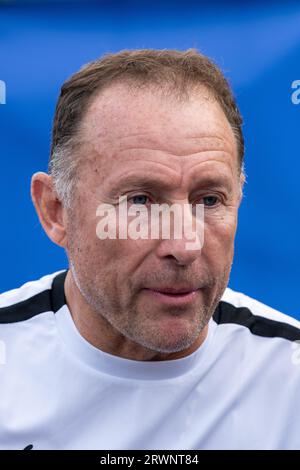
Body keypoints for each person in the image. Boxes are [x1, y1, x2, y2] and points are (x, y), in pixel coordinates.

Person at [1, 48, 300, 450]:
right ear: (57, 211)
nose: (184, 245)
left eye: (209, 200)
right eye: (140, 201)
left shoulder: (289, 380)